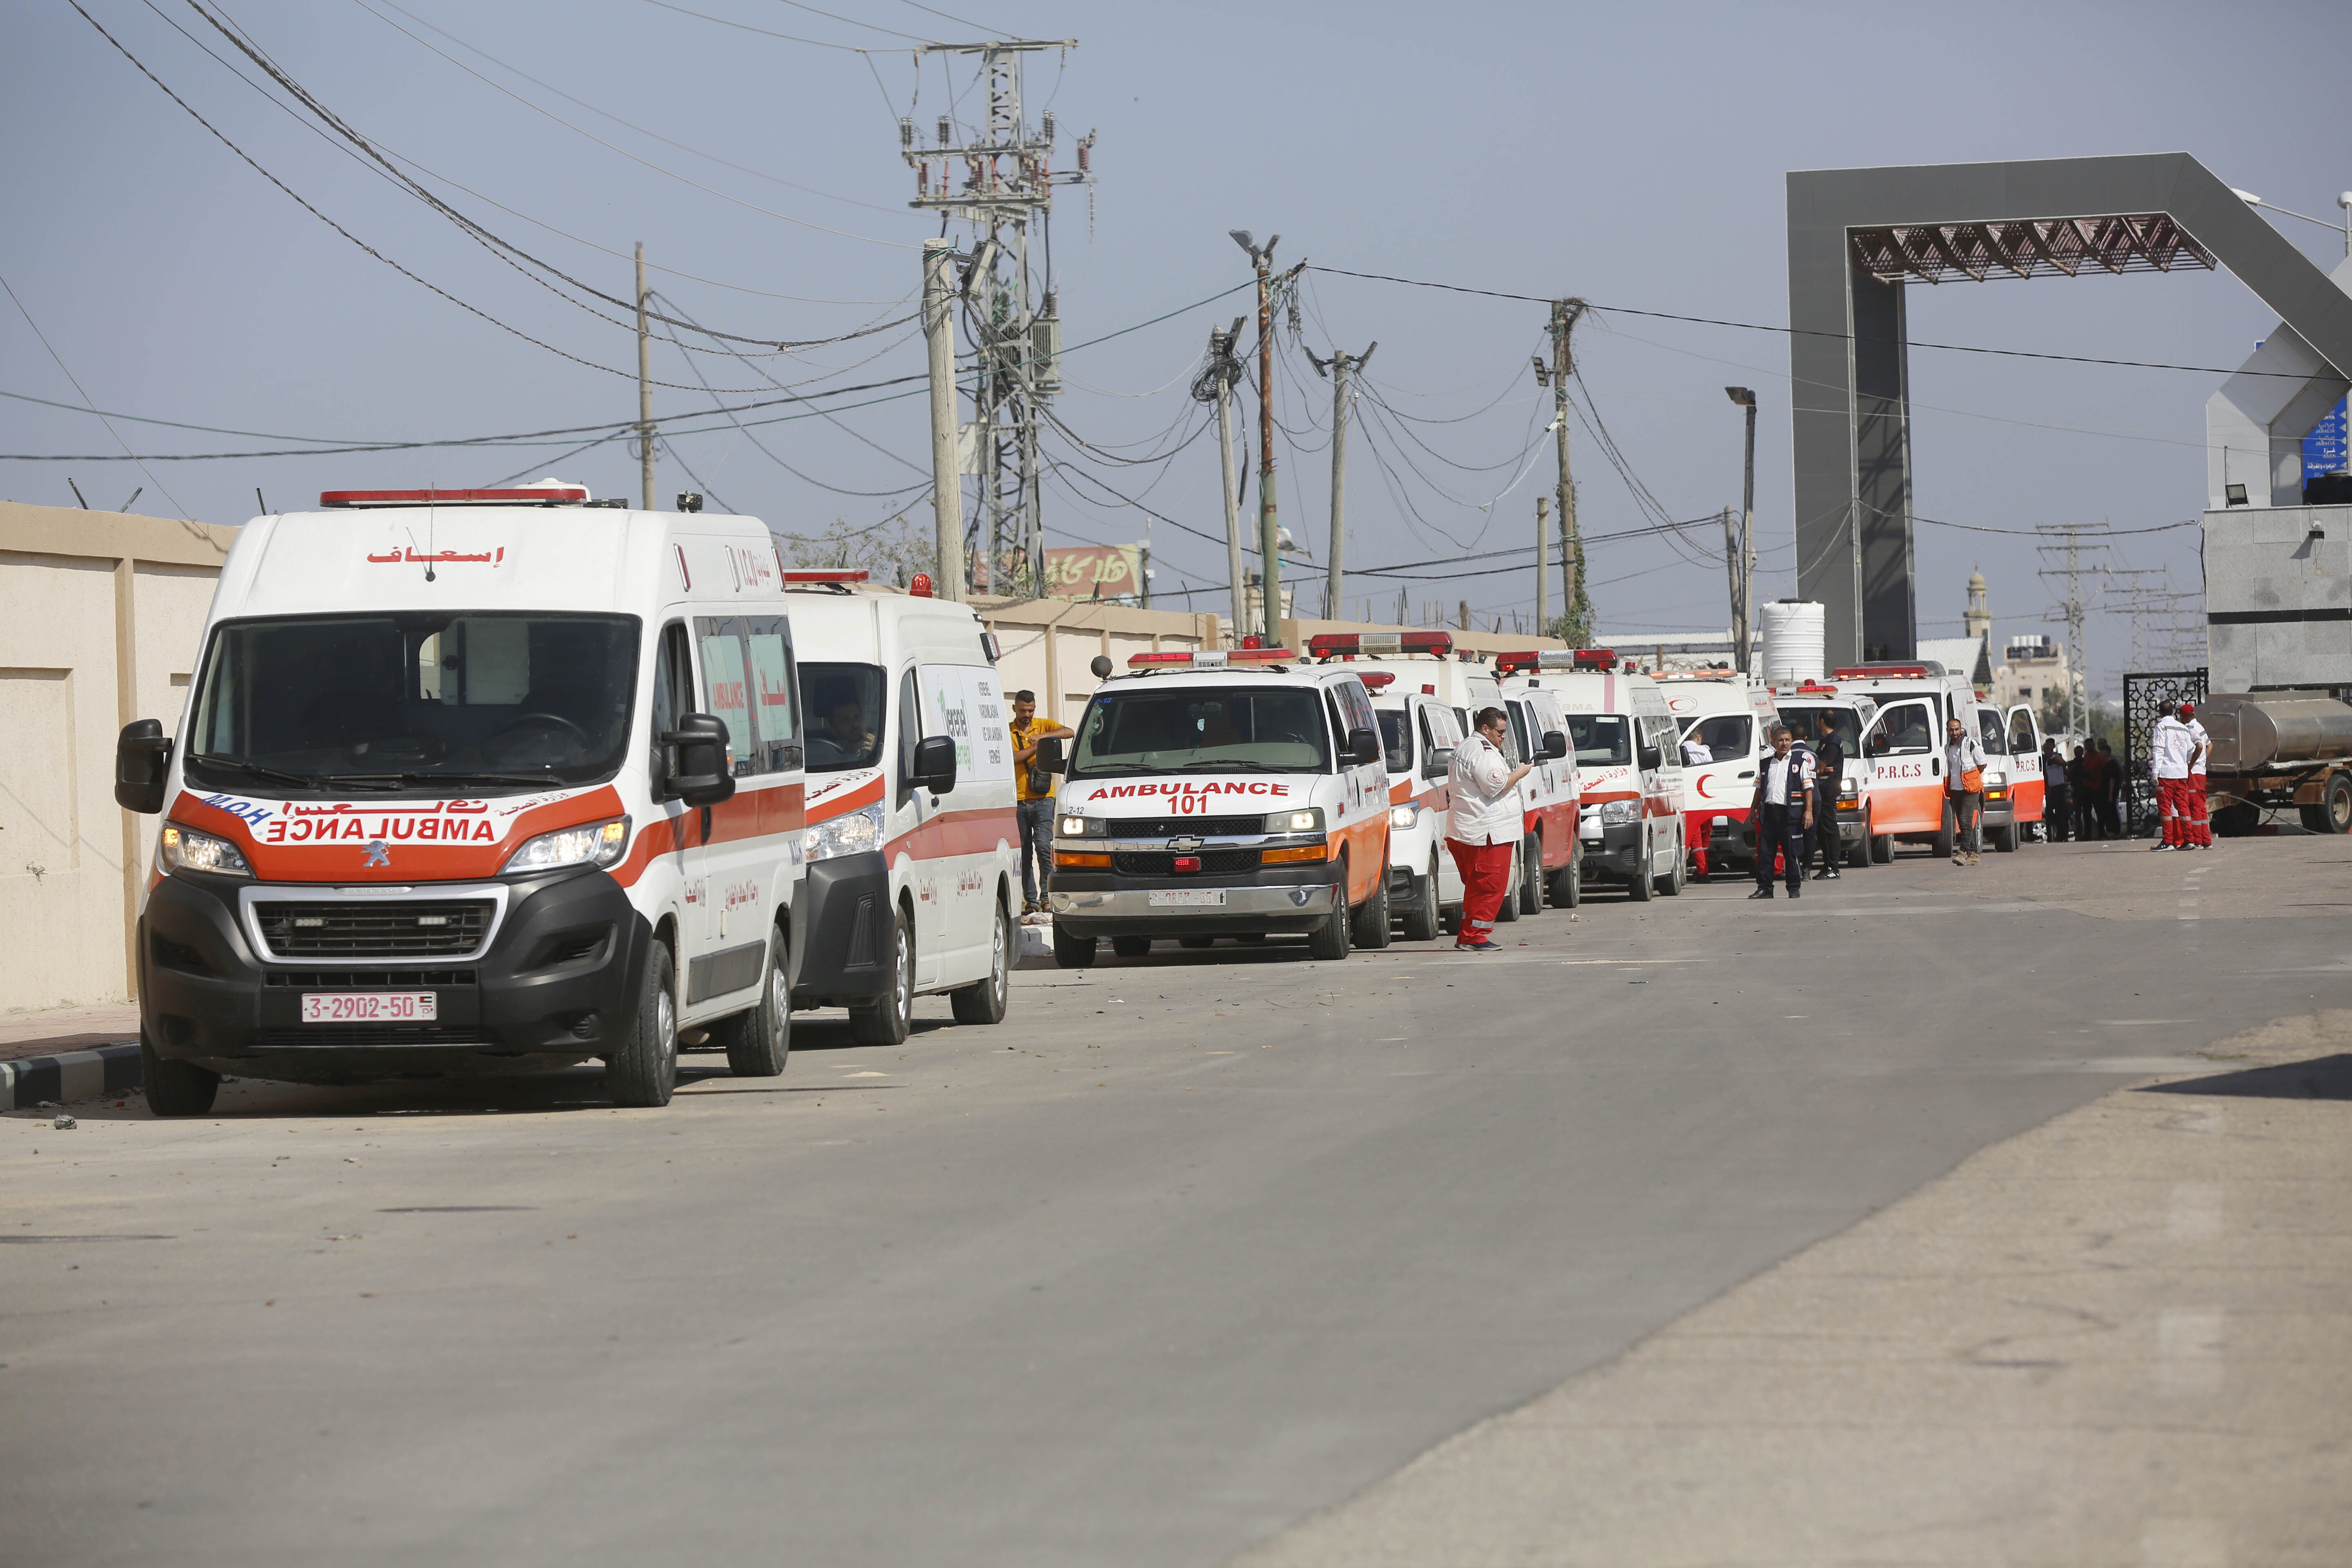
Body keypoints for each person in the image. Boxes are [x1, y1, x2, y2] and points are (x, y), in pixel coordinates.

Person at [1446, 706, 1533, 951]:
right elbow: (1496, 785)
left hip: (1471, 829)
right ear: (1485, 728)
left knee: (1478, 886)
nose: (1503, 736)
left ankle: (1468, 935)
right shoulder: (1483, 752)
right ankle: (1475, 936)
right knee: (1489, 886)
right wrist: (1521, 772)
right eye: (1500, 732)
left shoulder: (1466, 747)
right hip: (1487, 834)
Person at [1009, 690, 1072, 913]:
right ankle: (1031, 901)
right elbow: (1013, 758)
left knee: (1045, 848)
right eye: (1023, 710)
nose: (1027, 714)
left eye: (1031, 710)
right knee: (1023, 853)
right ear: (1015, 708)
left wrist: (1044, 737)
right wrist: (1034, 748)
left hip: (1044, 800)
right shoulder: (1008, 731)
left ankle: (1047, 897)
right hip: (1018, 801)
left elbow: (1069, 732)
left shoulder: (1043, 725)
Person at [1746, 723, 1813, 900]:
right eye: (1781, 740)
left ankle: (1793, 888)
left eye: (1788, 740)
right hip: (1769, 814)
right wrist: (1753, 810)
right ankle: (1765, 888)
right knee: (1766, 854)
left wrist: (1809, 811)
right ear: (1774, 743)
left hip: (1789, 815)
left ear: (1792, 742)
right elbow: (1759, 789)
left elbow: (1808, 789)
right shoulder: (1766, 764)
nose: (1785, 744)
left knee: (1791, 854)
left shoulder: (1799, 763)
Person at [2149, 701, 2203, 851]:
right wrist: (2187, 763)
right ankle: (2189, 840)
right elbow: (2191, 749)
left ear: (2160, 713)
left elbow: (2158, 749)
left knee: (2165, 808)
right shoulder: (2183, 728)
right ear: (2173, 712)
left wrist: (2155, 772)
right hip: (2181, 774)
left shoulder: (2161, 727)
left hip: (2166, 774)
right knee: (2183, 807)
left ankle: (2168, 842)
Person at [1944, 714, 1989, 866]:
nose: (1954, 733)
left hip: (1971, 789)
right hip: (1956, 789)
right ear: (1948, 731)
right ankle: (1974, 854)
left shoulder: (1970, 744)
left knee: (1965, 819)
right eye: (1951, 730)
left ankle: (1962, 852)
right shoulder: (1948, 748)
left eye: (1957, 729)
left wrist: (1973, 778)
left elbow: (1982, 763)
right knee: (1964, 824)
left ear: (1961, 729)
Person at [1809, 712, 1845, 880]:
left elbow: (1821, 767)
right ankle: (1827, 865)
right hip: (1821, 790)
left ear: (1822, 721)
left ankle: (1834, 867)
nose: (1817, 723)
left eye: (1817, 720)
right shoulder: (1825, 741)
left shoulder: (1833, 741)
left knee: (1830, 829)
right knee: (1822, 830)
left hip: (1828, 790)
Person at [1681, 730, 1714, 879]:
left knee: (1695, 838)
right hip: (1705, 798)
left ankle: (1701, 871)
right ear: (1699, 737)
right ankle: (1703, 870)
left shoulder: (1679, 750)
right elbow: (1712, 772)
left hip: (1688, 799)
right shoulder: (1704, 752)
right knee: (1704, 836)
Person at [2184, 702, 2212, 849]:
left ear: (2184, 717)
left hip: (2194, 773)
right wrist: (2203, 761)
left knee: (2194, 806)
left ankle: (2197, 841)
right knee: (2201, 807)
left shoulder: (2191, 729)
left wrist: (2192, 763)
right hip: (2202, 772)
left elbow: (2200, 746)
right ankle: (2206, 840)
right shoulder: (2200, 727)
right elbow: (2210, 745)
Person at [2041, 738, 2071, 843]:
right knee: (2049, 813)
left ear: (2052, 749)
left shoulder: (2057, 757)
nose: (2046, 751)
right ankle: (2054, 833)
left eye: (2048, 749)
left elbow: (2063, 764)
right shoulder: (2045, 761)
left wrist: (2063, 764)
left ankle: (2063, 834)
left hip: (2060, 788)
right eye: (2045, 749)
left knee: (2061, 812)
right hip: (2052, 788)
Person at [2096, 737, 2124, 838]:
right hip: (2106, 792)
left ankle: (2114, 831)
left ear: (2107, 753)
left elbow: (2112, 780)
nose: (2100, 754)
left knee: (2111, 812)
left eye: (2102, 752)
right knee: (2109, 812)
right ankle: (2112, 831)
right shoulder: (2107, 764)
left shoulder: (2112, 764)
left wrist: (2110, 794)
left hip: (2110, 793)